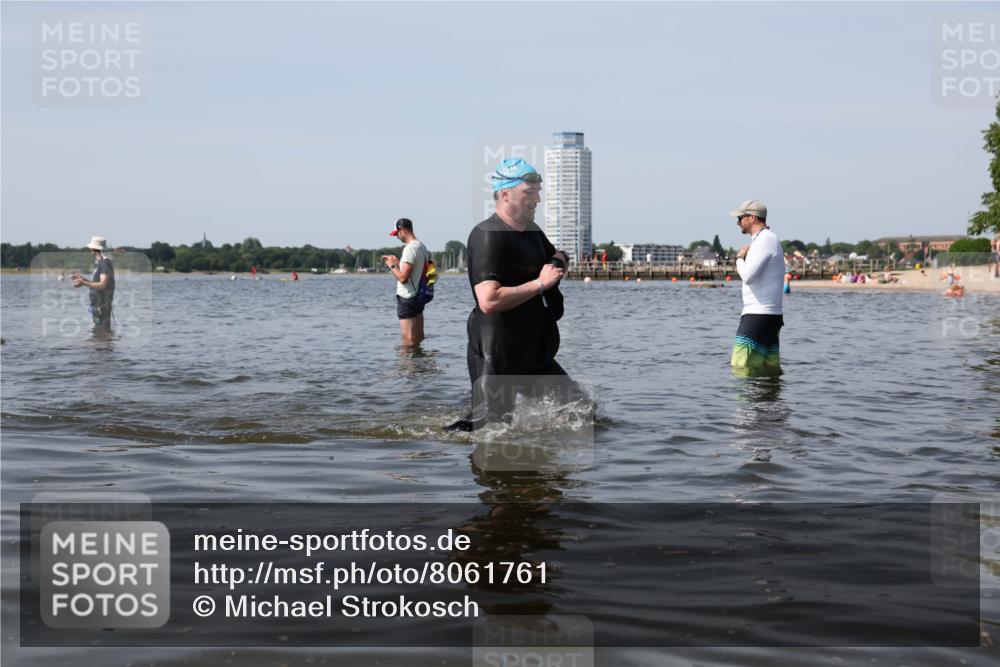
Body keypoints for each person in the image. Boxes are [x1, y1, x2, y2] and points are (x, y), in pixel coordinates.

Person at [446, 158, 577, 432]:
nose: (537, 199)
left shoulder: (533, 232)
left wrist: (557, 262)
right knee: (489, 429)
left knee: (583, 413)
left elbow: (559, 254)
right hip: (497, 353)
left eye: (538, 192)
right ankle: (431, 448)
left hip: (533, 353)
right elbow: (489, 299)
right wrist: (540, 284)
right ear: (505, 194)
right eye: (529, 193)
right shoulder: (487, 235)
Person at [730, 200, 784, 375]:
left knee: (740, 367)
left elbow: (748, 276)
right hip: (767, 315)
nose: (738, 222)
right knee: (768, 372)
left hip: (758, 315)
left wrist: (739, 258)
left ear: (752, 217)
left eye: (740, 218)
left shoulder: (765, 239)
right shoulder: (766, 238)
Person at [382, 218, 428, 348]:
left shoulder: (409, 249)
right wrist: (398, 263)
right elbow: (415, 271)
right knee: (418, 337)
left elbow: (403, 278)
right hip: (419, 296)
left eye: (397, 233)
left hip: (407, 298)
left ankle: (407, 361)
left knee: (408, 340)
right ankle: (419, 359)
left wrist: (391, 265)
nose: (397, 237)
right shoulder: (421, 246)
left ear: (403, 230)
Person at [71, 236, 115, 331]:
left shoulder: (105, 263)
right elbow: (97, 284)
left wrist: (83, 283)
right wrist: (83, 279)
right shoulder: (100, 263)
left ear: (94, 248)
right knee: (98, 331)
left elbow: (103, 284)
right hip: (97, 305)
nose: (89, 248)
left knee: (103, 330)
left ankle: (106, 340)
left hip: (101, 305)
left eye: (91, 247)